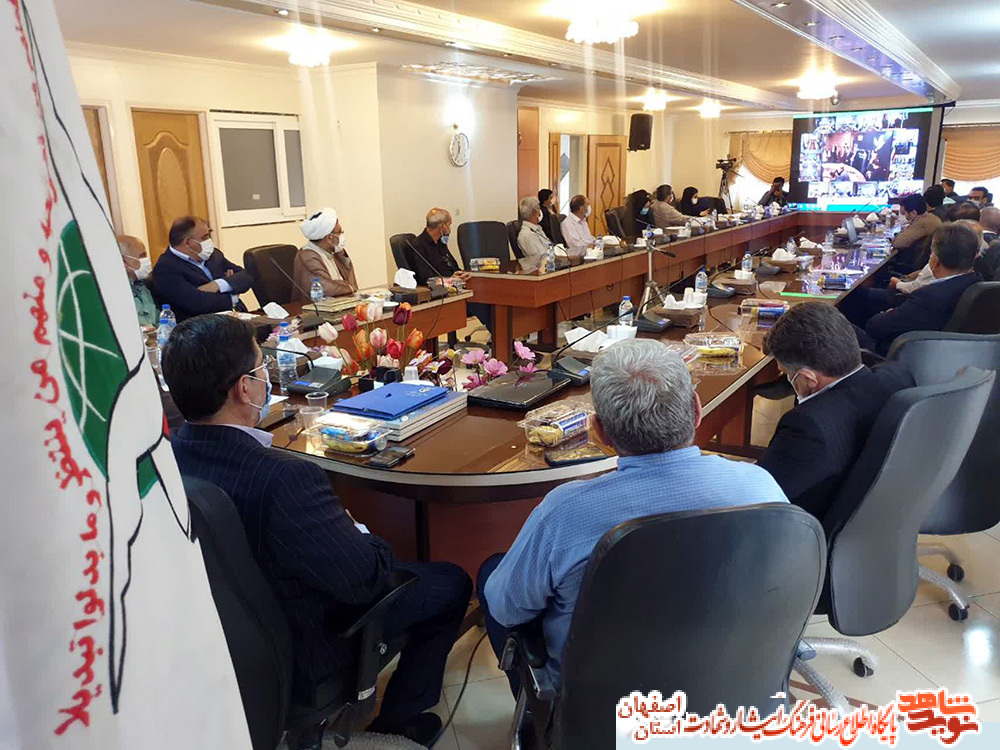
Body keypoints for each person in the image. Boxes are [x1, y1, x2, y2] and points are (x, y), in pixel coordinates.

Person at [161, 315, 472, 748]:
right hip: (306, 650)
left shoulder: (167, 460)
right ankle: (398, 722)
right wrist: (359, 530)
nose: (267, 379)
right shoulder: (284, 479)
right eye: (262, 369)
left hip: (227, 638)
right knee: (450, 583)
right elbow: (363, 579)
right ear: (244, 388)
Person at [477, 340, 788, 690]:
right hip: (731, 680)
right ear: (697, 410)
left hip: (599, 701)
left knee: (494, 577)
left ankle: (540, 716)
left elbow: (506, 609)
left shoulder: (564, 512)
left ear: (600, 432)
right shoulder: (760, 487)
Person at [758, 303, 912, 527]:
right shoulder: (897, 378)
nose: (788, 380)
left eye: (786, 373)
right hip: (881, 520)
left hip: (806, 530)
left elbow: (758, 497)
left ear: (809, 378)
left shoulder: (808, 426)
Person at [860, 223, 981, 355]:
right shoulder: (978, 283)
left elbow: (874, 328)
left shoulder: (929, 297)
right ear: (975, 256)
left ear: (935, 260)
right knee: (860, 294)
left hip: (898, 351)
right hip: (945, 349)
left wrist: (886, 313)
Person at [152, 216, 253, 321]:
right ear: (187, 243)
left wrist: (218, 285)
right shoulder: (165, 268)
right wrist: (232, 295)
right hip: (203, 324)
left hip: (237, 314)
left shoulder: (213, 255)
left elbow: (246, 276)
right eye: (204, 237)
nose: (209, 241)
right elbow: (196, 302)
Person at [294, 207, 358, 301]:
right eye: (339, 232)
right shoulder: (307, 256)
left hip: (339, 303)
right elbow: (326, 288)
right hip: (314, 308)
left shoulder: (333, 251)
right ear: (329, 238)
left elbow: (348, 278)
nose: (342, 235)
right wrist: (348, 287)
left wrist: (343, 285)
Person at [406, 207, 470, 286]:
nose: (449, 229)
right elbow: (426, 278)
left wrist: (459, 274)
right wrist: (450, 279)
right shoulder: (417, 246)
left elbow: (452, 265)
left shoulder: (441, 242)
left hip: (453, 284)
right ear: (443, 226)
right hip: (437, 289)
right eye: (449, 225)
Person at [890, 193, 941, 271]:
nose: (903, 216)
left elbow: (897, 243)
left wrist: (906, 227)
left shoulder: (922, 223)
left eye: (904, 213)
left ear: (913, 213)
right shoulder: (931, 217)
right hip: (928, 264)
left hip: (917, 267)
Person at [117, 234, 157, 328]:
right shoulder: (116, 292)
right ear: (123, 261)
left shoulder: (142, 285)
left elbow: (158, 320)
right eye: (142, 257)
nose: (147, 261)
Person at [516, 196, 551, 270]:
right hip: (539, 270)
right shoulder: (527, 234)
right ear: (534, 212)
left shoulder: (537, 228)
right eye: (539, 208)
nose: (540, 211)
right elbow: (542, 257)